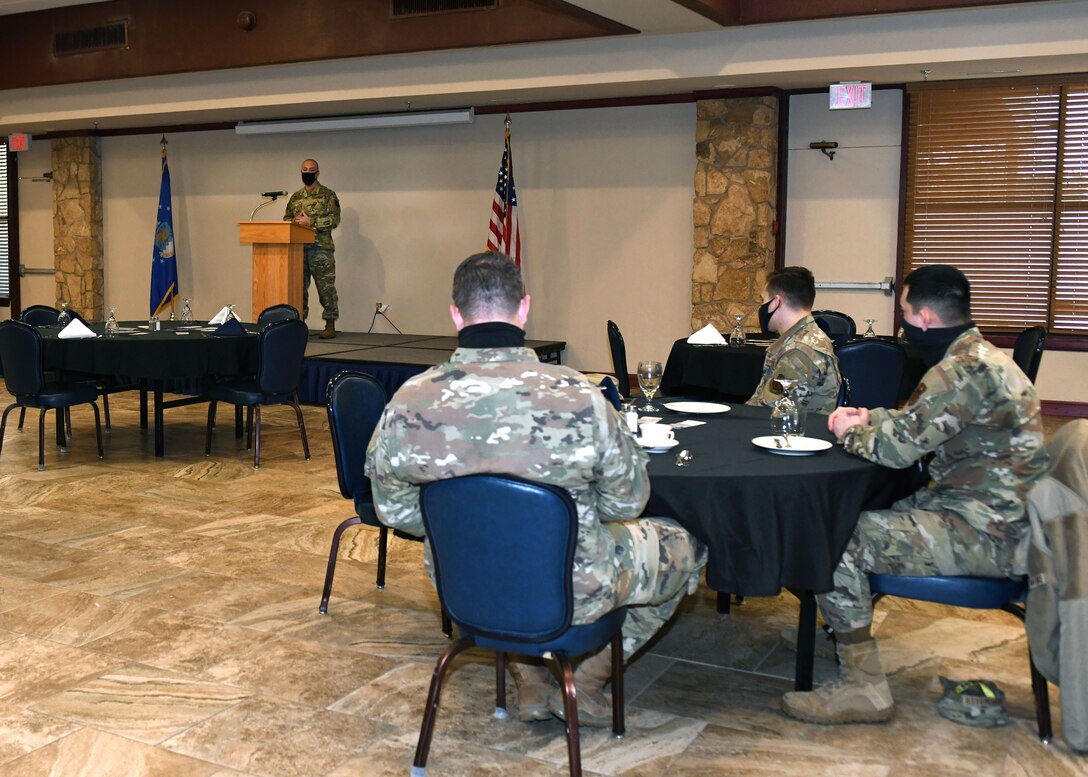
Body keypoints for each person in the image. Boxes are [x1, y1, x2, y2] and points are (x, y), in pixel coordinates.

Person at [365, 251, 706, 726]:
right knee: (686, 545)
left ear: (455, 315)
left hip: (464, 583)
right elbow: (628, 500)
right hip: (574, 584)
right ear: (524, 309)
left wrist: (470, 528)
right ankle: (584, 685)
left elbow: (392, 509)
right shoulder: (579, 395)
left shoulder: (409, 401)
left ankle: (531, 681)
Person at [781, 264, 1050, 725]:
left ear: (924, 318)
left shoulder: (961, 371)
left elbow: (894, 452)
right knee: (867, 508)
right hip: (991, 516)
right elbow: (924, 423)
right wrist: (872, 416)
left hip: (989, 536)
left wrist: (851, 431)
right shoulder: (980, 357)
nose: (902, 322)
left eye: (904, 312)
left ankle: (863, 687)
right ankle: (841, 621)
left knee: (837, 534)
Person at [746, 266, 841, 414]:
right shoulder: (803, 338)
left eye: (763, 299)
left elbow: (767, 411)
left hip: (793, 433)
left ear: (775, 302)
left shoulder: (799, 351)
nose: (761, 306)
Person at [283, 158, 341, 339]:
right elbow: (286, 219)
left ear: (317, 173)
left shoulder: (328, 195)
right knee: (298, 290)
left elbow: (334, 220)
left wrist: (311, 222)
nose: (307, 172)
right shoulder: (295, 197)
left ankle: (330, 324)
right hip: (298, 250)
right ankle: (299, 325)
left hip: (320, 250)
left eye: (311, 170)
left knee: (326, 289)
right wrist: (295, 222)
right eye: (304, 169)